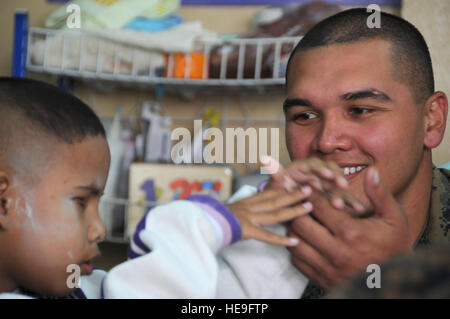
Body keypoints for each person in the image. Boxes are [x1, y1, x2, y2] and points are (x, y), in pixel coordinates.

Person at [0, 77, 311, 298]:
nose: (99, 230)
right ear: (3, 203)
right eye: (81, 202)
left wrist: (279, 221)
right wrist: (194, 227)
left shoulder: (83, 286)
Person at [262, 8, 449, 298]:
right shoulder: (262, 247)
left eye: (361, 110)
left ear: (432, 120)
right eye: (305, 116)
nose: (326, 141)